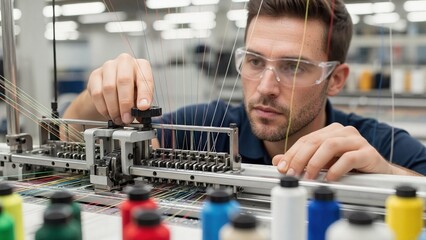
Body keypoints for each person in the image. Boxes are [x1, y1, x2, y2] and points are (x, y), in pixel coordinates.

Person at [64, 0, 426, 181]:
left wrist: (386, 178)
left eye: (293, 67)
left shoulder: (380, 146)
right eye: (254, 61)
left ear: (336, 79)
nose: (266, 88)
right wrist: (103, 96)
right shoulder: (206, 126)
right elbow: (67, 133)